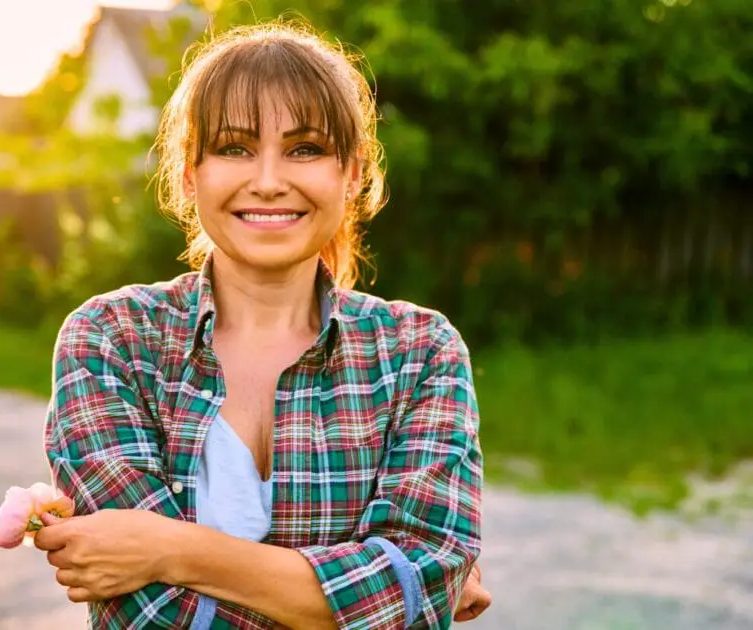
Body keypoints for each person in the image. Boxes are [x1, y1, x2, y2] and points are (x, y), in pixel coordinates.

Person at [33, 19, 490, 629]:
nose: (270, 182)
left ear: (351, 174)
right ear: (190, 173)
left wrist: (172, 549)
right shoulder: (111, 339)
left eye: (305, 149)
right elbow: (147, 615)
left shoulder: (419, 352)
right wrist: (380, 599)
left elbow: (419, 583)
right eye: (234, 147)